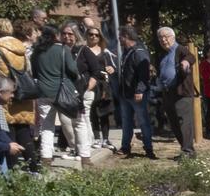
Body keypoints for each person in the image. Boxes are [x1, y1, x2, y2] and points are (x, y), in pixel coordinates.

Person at [28, 23, 81, 165]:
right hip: (61, 92)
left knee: (46, 125)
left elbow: (34, 72)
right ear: (55, 35)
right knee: (75, 122)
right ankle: (83, 153)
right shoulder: (63, 49)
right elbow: (73, 69)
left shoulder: (36, 51)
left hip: (42, 92)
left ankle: (46, 156)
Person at [0, 18, 35, 165]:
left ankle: (14, 168)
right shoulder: (21, 48)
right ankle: (34, 166)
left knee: (8, 131)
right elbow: (28, 69)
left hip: (4, 92)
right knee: (23, 128)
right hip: (23, 92)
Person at [155, 27, 199, 157]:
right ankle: (185, 150)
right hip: (168, 93)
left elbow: (191, 56)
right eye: (160, 37)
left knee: (183, 121)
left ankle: (188, 151)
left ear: (173, 37)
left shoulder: (180, 49)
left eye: (166, 36)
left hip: (181, 93)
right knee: (174, 123)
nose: (163, 40)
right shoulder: (163, 54)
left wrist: (185, 62)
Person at [115, 28, 155, 157]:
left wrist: (140, 90)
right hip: (125, 93)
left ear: (126, 36)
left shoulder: (139, 52)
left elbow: (144, 74)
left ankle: (149, 148)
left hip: (137, 94)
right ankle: (125, 147)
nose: (118, 39)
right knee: (126, 122)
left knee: (143, 121)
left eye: (120, 36)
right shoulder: (127, 52)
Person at [80, 25, 114, 148]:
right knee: (93, 112)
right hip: (90, 85)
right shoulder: (83, 51)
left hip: (104, 86)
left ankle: (105, 139)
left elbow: (112, 66)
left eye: (96, 35)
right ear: (86, 36)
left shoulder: (105, 52)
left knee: (104, 113)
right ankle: (96, 138)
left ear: (100, 37)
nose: (94, 37)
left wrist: (111, 68)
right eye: (91, 34)